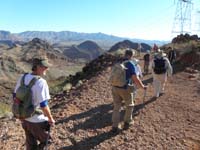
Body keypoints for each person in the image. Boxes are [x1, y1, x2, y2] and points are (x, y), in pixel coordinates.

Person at [13, 57, 55, 150]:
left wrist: (20, 113)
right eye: (44, 66)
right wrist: (50, 119)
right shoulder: (41, 82)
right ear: (37, 67)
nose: (47, 69)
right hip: (37, 121)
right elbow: (44, 105)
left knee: (31, 144)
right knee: (47, 141)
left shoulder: (22, 77)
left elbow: (15, 96)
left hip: (25, 119)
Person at [111, 49, 147, 133]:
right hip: (125, 88)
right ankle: (127, 122)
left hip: (115, 88)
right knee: (129, 106)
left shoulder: (118, 62)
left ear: (124, 54)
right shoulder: (130, 64)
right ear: (131, 55)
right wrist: (142, 86)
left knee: (116, 107)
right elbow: (135, 78)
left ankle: (114, 126)